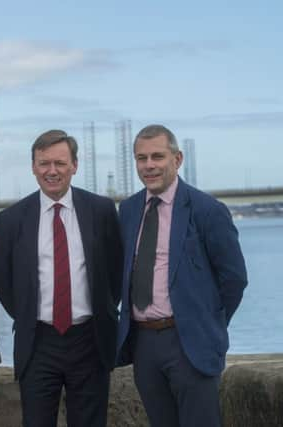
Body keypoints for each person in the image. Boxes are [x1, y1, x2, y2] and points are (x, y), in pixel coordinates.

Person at [116, 124, 248, 427]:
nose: (149, 165)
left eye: (157, 156)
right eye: (141, 158)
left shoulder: (207, 210)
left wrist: (206, 321)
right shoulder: (128, 210)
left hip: (189, 342)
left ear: (177, 159)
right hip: (144, 343)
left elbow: (234, 279)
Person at [0, 129, 122, 427]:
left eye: (60, 163)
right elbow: (1, 280)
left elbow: (115, 271)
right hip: (38, 342)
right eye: (44, 163)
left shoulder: (101, 210)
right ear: (33, 167)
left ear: (74, 166)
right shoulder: (11, 219)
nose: (52, 171)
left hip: (90, 339)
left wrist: (101, 309)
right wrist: (28, 314)